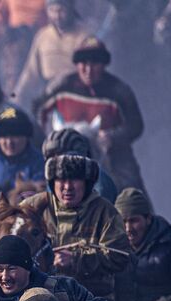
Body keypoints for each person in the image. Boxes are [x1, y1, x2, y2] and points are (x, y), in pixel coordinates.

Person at [37, 37, 145, 191]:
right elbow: (39, 111)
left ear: (103, 65)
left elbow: (136, 125)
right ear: (76, 64)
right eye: (83, 64)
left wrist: (112, 137)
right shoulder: (61, 86)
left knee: (132, 191)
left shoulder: (119, 91)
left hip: (111, 154)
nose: (88, 70)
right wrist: (51, 137)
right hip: (65, 150)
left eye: (95, 64)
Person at [23, 153, 129, 301]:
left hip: (93, 299)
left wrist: (77, 260)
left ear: (87, 183)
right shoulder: (35, 206)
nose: (67, 187)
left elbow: (120, 257)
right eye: (61, 179)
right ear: (52, 183)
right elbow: (10, 237)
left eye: (75, 179)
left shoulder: (105, 212)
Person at [13, 0, 92, 108]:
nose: (57, 16)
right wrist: (16, 97)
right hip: (49, 97)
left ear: (70, 9)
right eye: (52, 10)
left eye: (61, 10)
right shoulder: (42, 36)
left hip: (77, 97)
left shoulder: (84, 37)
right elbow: (30, 73)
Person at [117, 188, 171, 301]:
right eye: (123, 221)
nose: (128, 228)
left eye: (134, 221)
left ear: (148, 218)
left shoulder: (168, 245)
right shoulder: (112, 249)